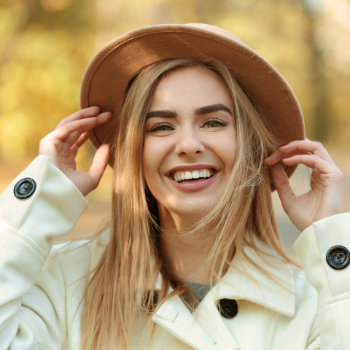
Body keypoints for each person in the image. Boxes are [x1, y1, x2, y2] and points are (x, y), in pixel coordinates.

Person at [0, 23, 348, 350]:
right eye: (161, 127)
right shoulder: (66, 282)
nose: (188, 144)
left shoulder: (319, 301)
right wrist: (38, 201)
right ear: (134, 152)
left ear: (252, 148)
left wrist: (329, 237)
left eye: (213, 122)